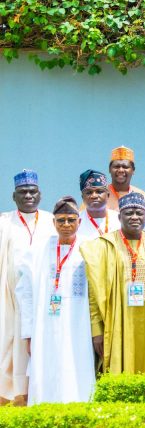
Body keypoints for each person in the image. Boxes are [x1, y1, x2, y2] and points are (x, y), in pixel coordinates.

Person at [15, 197, 94, 404]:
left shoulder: (89, 248)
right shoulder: (37, 250)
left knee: (77, 370)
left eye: (71, 220)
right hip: (44, 326)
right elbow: (25, 293)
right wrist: (28, 332)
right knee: (46, 368)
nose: (66, 225)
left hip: (79, 326)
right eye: (61, 220)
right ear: (53, 222)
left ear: (79, 222)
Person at [80, 192, 145, 374]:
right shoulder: (104, 245)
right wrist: (96, 329)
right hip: (117, 322)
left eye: (139, 213)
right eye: (128, 213)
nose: (134, 217)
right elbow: (94, 292)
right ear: (119, 217)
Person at [0, 170, 54, 405]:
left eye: (32, 191)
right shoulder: (4, 222)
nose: (28, 196)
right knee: (8, 344)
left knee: (38, 345)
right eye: (23, 192)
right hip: (9, 297)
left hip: (41, 297)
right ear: (14, 196)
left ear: (40, 194)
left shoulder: (52, 221)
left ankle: (35, 394)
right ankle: (8, 395)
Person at [77, 169, 120, 240]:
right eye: (89, 192)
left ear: (108, 195)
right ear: (82, 197)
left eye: (99, 191)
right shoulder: (75, 222)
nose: (94, 196)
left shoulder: (119, 219)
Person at [105, 146, 145, 213]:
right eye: (117, 166)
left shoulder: (142, 196)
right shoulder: (99, 195)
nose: (121, 170)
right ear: (109, 169)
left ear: (133, 170)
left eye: (125, 167)